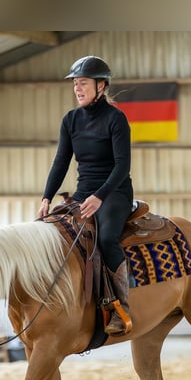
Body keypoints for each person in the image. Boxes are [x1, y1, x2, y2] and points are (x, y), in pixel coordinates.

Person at [36, 55, 133, 335]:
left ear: (101, 85)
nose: (78, 88)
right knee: (52, 231)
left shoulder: (116, 119)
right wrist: (46, 198)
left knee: (105, 237)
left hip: (114, 192)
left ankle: (121, 307)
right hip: (83, 192)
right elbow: (61, 162)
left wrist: (101, 196)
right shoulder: (70, 120)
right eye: (75, 84)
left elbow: (122, 165)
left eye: (83, 83)